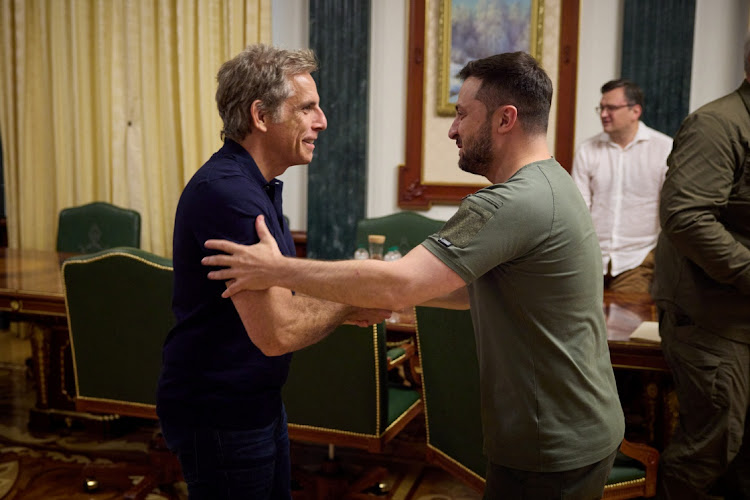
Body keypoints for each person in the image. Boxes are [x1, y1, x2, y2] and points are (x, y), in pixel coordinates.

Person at [202, 52, 625, 499]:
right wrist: (354, 300)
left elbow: (400, 282)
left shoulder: (510, 203)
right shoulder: (553, 182)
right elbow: (464, 290)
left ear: (506, 119)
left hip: (552, 442)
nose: (453, 128)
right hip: (576, 427)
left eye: (462, 114)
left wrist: (276, 268)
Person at [155, 44, 389, 499]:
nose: (321, 121)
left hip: (253, 401)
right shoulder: (229, 195)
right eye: (307, 108)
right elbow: (277, 330)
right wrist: (351, 302)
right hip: (221, 413)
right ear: (260, 116)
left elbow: (285, 295)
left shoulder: (255, 187)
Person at [651, 36, 750, 500]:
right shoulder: (718, 124)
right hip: (712, 320)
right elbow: (685, 218)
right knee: (711, 448)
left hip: (740, 317)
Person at [571, 79, 673, 294]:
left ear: (635, 111)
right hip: (591, 259)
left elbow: (671, 208)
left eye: (611, 108)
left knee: (627, 324)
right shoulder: (587, 149)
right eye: (601, 107)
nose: (603, 114)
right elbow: (579, 207)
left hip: (638, 260)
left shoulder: (664, 149)